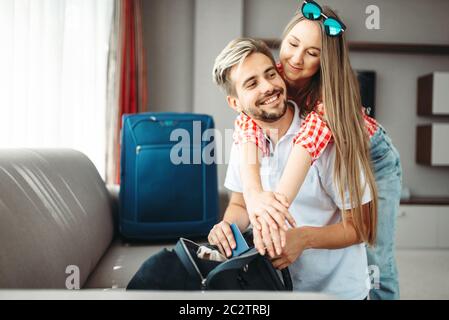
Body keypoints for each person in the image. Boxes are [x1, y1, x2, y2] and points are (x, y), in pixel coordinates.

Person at [230, 3, 402, 300]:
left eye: (312, 53)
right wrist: (255, 195)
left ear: (325, 61)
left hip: (374, 157)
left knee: (376, 260)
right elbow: (247, 121)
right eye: (293, 44)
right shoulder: (274, 74)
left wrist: (274, 209)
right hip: (321, 152)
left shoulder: (329, 96)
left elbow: (307, 145)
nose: (296, 58)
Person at [209, 37, 374, 300]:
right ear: (235, 104)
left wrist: (304, 239)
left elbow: (362, 227)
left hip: (338, 293)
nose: (269, 87)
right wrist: (228, 226)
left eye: (271, 74)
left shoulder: (327, 140)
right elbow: (240, 205)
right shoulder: (243, 143)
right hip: (278, 291)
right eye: (252, 83)